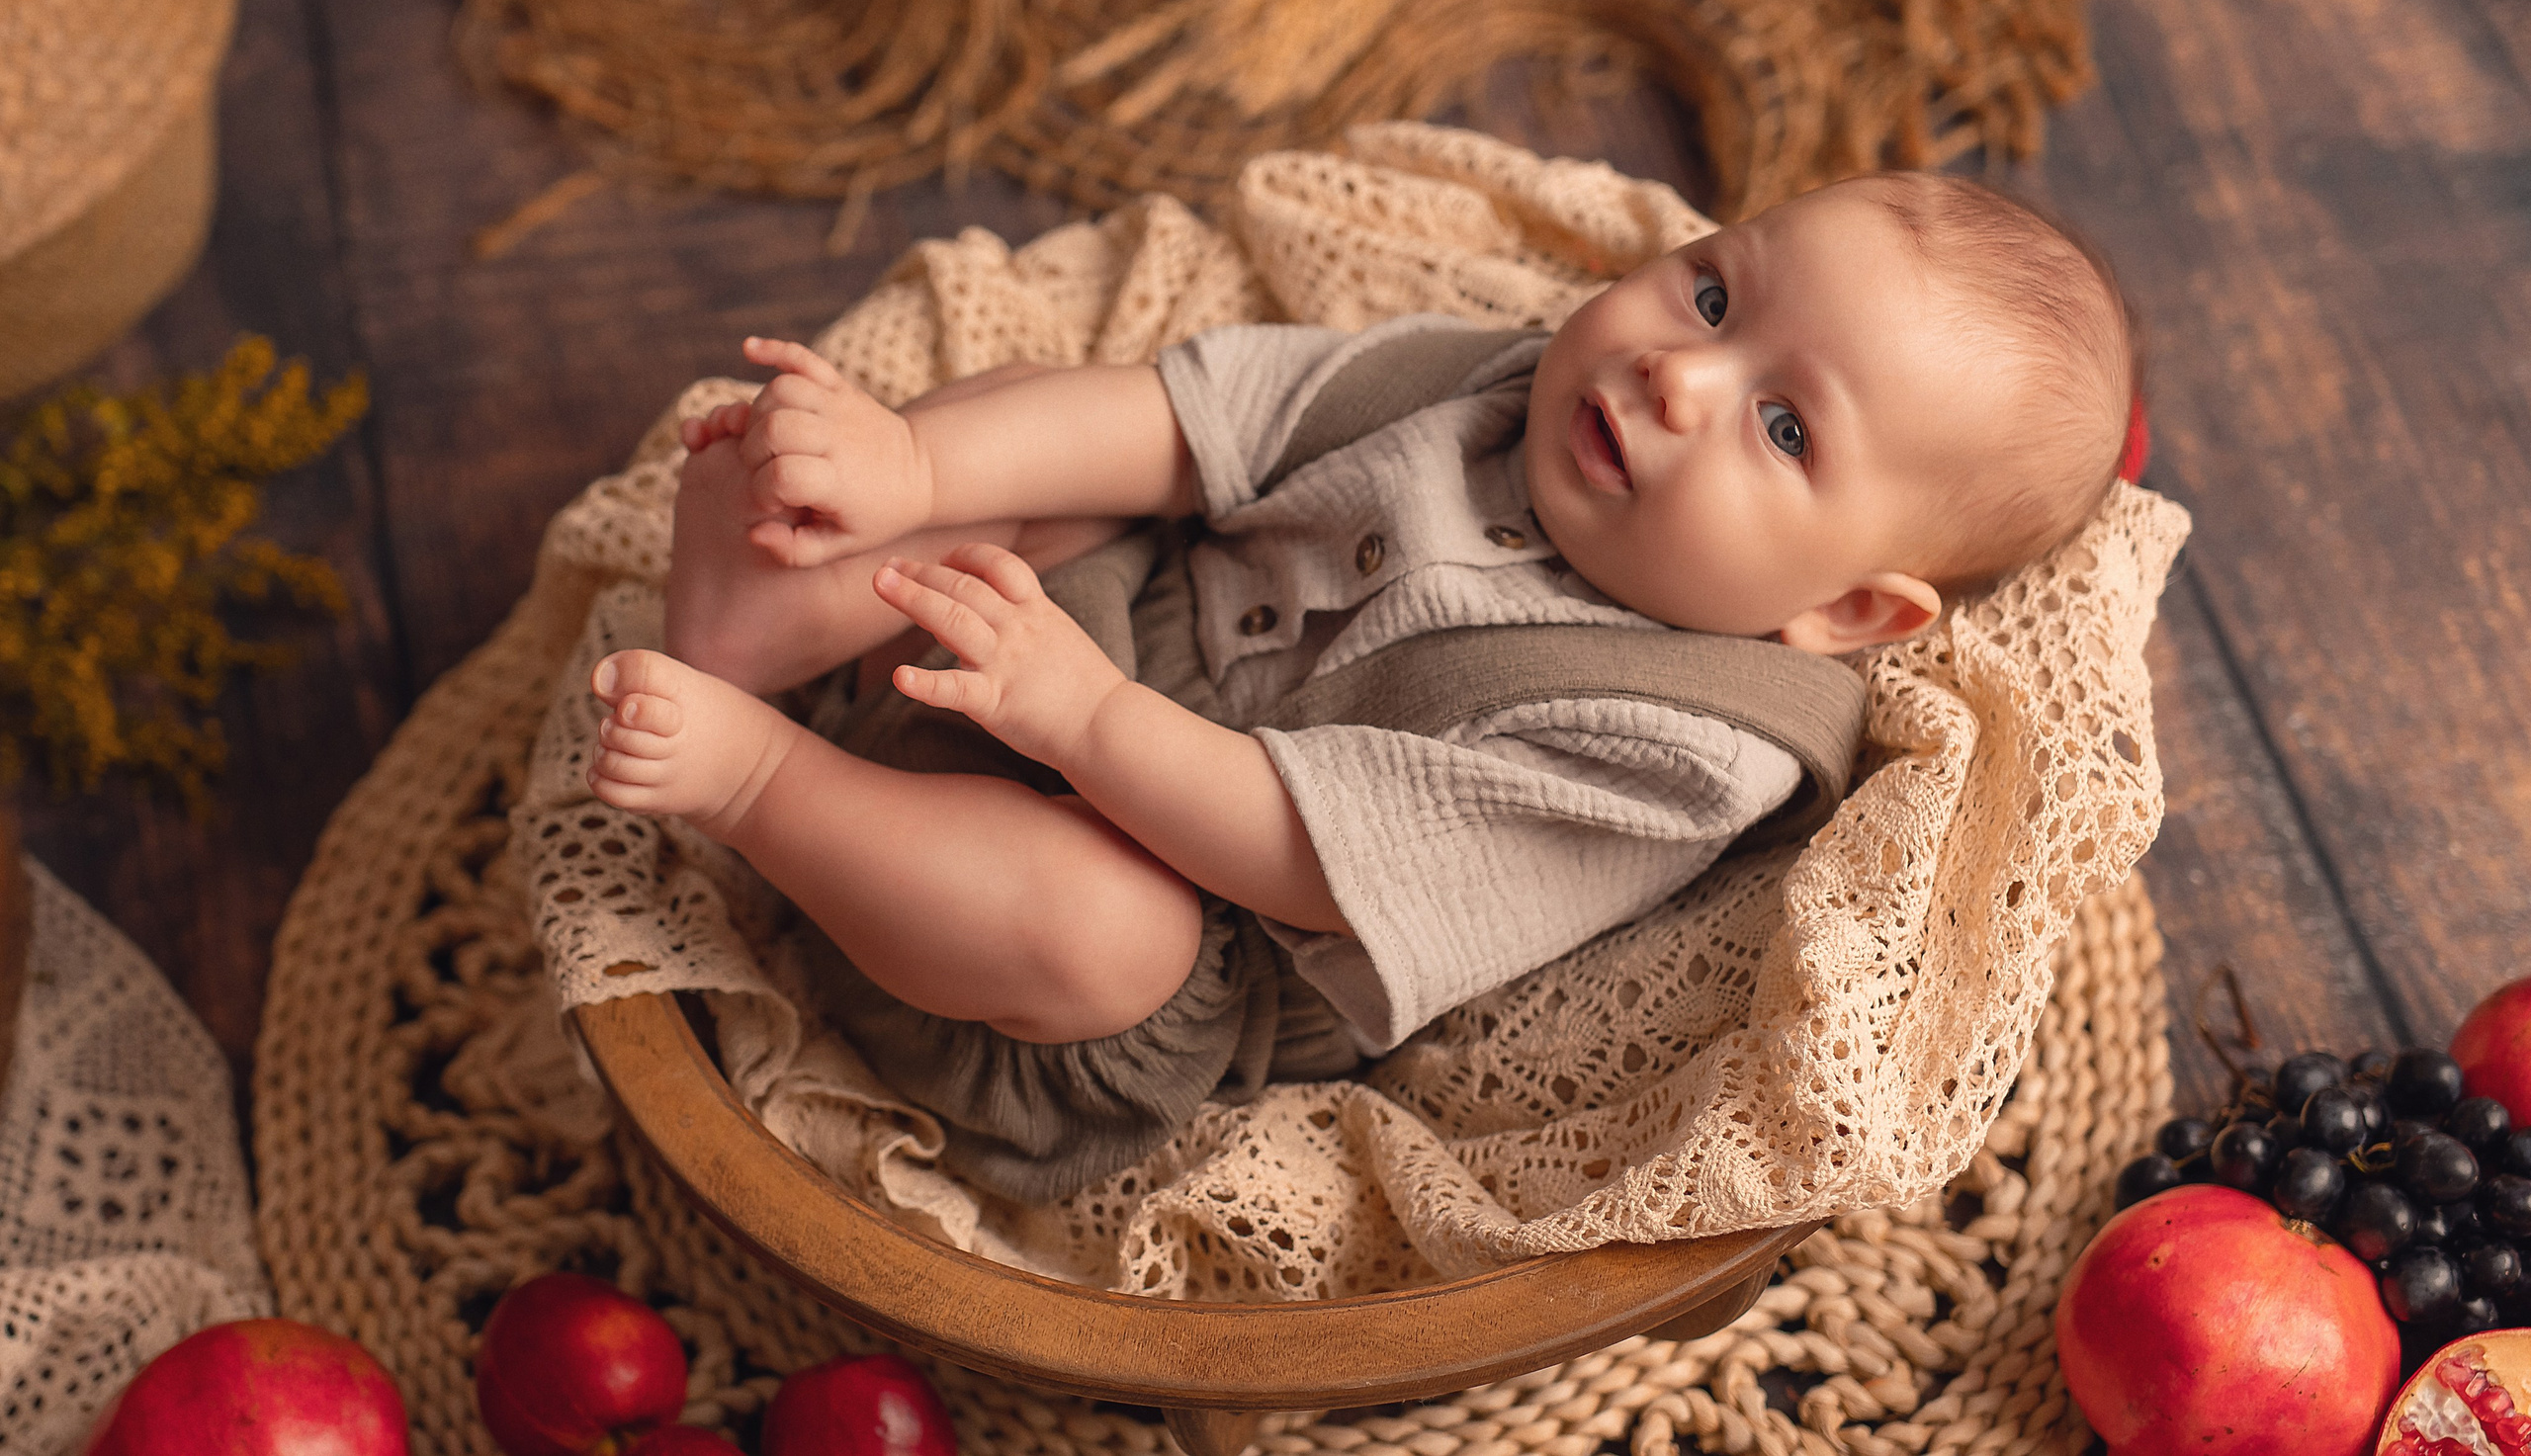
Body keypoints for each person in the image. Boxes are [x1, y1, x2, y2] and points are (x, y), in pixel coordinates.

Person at [581, 171, 2136, 1200]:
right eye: (1717, 298)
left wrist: (1078, 716)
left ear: (1850, 607)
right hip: (1079, 641)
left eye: (1786, 429)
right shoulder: (1515, 386)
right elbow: (1205, 415)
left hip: (1144, 941)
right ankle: (760, 637)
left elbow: (1321, 864)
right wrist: (913, 464)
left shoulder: (1679, 748)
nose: (1680, 374)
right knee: (1064, 433)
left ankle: (762, 785)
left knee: (1111, 922)